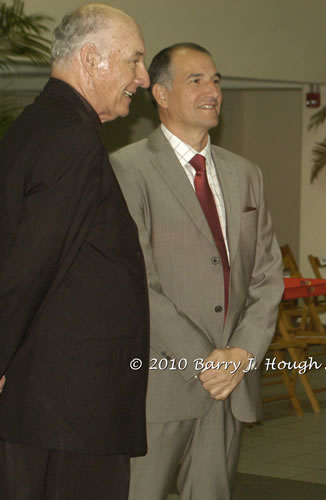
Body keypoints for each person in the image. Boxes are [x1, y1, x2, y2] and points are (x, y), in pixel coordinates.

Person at [110, 43, 283, 499]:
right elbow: (133, 282)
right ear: (162, 94)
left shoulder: (246, 174)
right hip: (159, 386)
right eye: (197, 80)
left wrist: (241, 354)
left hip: (228, 388)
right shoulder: (127, 170)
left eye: (216, 80)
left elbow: (267, 274)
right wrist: (202, 359)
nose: (212, 91)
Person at [0, 4, 150, 499]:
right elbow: (29, 265)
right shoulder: (71, 141)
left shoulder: (36, 126)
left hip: (50, 400)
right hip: (71, 409)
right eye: (134, 61)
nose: (143, 78)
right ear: (92, 59)